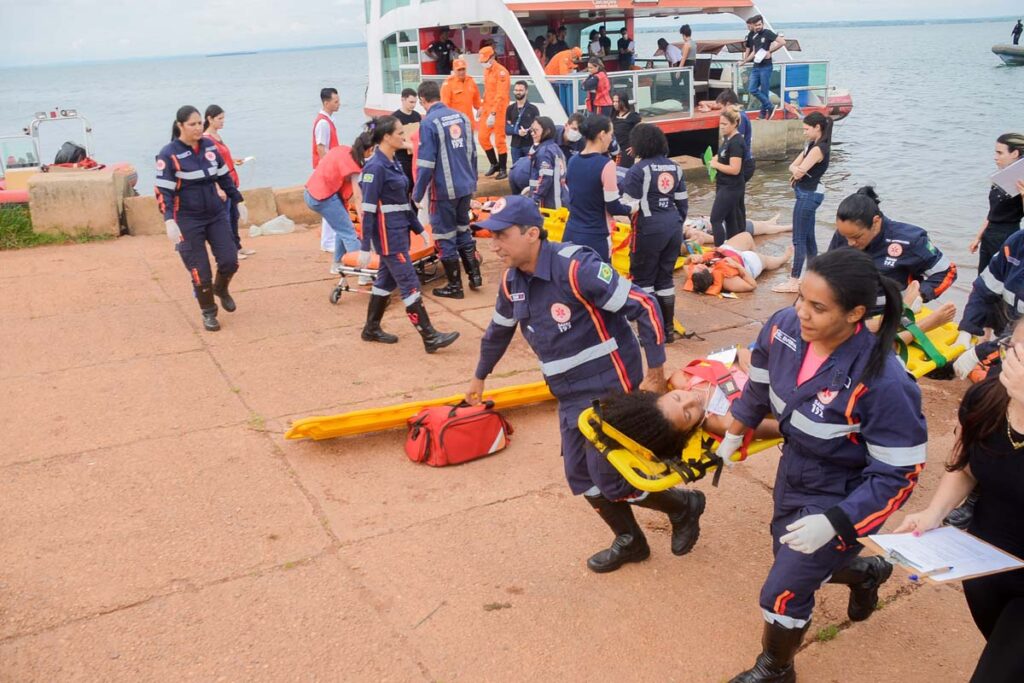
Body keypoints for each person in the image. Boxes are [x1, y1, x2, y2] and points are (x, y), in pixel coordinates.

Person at [716, 248, 927, 683]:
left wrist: (837, 520)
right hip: (795, 469)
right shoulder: (784, 329)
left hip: (843, 490)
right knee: (788, 554)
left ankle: (776, 667)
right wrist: (736, 429)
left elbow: (897, 474)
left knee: (783, 589)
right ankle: (866, 572)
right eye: (800, 299)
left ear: (855, 314)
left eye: (817, 307)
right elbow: (758, 386)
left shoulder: (883, 381)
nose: (802, 314)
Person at [465, 195, 706, 573]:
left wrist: (655, 371)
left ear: (532, 234)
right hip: (569, 394)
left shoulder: (577, 267)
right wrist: (480, 376)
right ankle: (631, 540)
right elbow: (498, 331)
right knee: (580, 475)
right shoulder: (512, 281)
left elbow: (644, 305)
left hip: (611, 387)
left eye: (501, 235)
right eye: (489, 235)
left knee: (612, 477)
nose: (492, 244)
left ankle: (682, 505)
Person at [895, 341, 1024, 683]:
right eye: (1018, 350)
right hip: (986, 564)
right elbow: (964, 466)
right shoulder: (985, 399)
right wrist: (934, 513)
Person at [357, 116, 459, 353]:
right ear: (386, 137)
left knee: (385, 281)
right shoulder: (374, 167)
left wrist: (419, 229)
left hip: (399, 233)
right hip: (388, 238)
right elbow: (369, 210)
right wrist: (364, 246)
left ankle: (371, 328)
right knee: (410, 283)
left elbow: (404, 203)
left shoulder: (393, 164)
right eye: (400, 133)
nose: (404, 137)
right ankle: (429, 336)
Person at [156, 105, 247, 332]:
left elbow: (225, 177)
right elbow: (163, 192)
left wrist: (239, 200)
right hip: (187, 219)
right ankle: (209, 312)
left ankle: (221, 288)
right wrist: (169, 220)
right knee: (200, 272)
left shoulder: (209, 147)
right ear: (180, 126)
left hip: (215, 214)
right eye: (192, 124)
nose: (198, 128)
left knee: (230, 260)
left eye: (199, 123)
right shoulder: (168, 154)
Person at [827, 187, 958, 309]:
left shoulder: (909, 240)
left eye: (857, 237)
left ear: (876, 221)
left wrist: (920, 295)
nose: (850, 243)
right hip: (848, 311)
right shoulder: (845, 233)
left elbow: (947, 272)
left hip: (889, 314)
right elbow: (829, 271)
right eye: (845, 236)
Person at [412, 80, 481, 299]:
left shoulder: (428, 123)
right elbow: (472, 153)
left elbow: (425, 163)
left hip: (443, 191)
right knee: (463, 230)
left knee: (444, 236)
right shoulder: (462, 117)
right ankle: (474, 275)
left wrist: (416, 194)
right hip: (465, 186)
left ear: (423, 99)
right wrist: (473, 181)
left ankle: (454, 286)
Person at [620, 124, 688, 341]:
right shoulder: (676, 168)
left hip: (648, 229)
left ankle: (650, 333)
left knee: (644, 279)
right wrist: (676, 224)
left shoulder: (637, 171)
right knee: (665, 278)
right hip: (673, 227)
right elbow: (683, 204)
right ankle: (667, 331)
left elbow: (629, 206)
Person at [772, 112, 832, 293]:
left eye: (807, 129)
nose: (804, 132)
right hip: (807, 193)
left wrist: (796, 170)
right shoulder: (810, 145)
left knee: (799, 239)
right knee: (809, 237)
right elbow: (793, 166)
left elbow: (798, 172)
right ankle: (813, 275)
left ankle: (793, 281)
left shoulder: (818, 149)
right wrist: (796, 169)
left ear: (817, 128)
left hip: (809, 195)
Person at [564, 115, 633, 261]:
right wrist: (632, 208)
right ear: (602, 135)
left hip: (571, 233)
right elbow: (613, 206)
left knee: (572, 279)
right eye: (610, 134)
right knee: (601, 281)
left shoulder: (572, 161)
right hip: (596, 236)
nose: (611, 138)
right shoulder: (606, 165)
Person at [956, 228, 1024, 373]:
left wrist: (980, 353)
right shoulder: (1017, 242)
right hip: (1013, 327)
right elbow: (984, 290)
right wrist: (968, 328)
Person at [305, 132, 369, 276]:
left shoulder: (341, 149)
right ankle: (364, 272)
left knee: (342, 227)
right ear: (368, 150)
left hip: (311, 192)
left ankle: (337, 263)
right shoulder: (354, 167)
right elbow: (357, 197)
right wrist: (363, 217)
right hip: (324, 197)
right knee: (350, 234)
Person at [202, 105, 255, 261]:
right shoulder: (207, 139)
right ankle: (230, 249)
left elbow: (220, 159)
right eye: (219, 119)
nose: (223, 122)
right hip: (222, 184)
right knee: (225, 218)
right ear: (210, 119)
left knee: (233, 215)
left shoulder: (217, 136)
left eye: (223, 118)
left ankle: (237, 246)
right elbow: (210, 165)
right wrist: (218, 187)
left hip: (231, 179)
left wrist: (232, 160)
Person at [969, 133, 1024, 274]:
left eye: (1000, 153)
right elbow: (993, 211)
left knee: (1001, 277)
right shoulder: (1001, 178)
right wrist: (978, 237)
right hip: (990, 233)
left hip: (1007, 234)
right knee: (982, 276)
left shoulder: (1021, 180)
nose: (996, 157)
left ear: (1015, 153)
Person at [684, 232, 793, 295]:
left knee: (746, 235)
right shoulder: (728, 281)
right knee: (767, 261)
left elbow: (685, 265)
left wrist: (691, 257)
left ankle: (755, 251)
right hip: (747, 263)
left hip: (725, 252)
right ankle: (784, 258)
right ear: (708, 271)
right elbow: (752, 285)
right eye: (699, 267)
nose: (697, 266)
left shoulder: (694, 275)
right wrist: (737, 266)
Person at [708, 107, 747, 247]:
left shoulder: (737, 142)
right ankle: (733, 247)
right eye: (720, 124)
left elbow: (735, 169)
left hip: (731, 187)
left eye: (725, 124)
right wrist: (716, 158)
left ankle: (719, 249)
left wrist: (715, 165)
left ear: (734, 123)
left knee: (715, 219)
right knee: (730, 220)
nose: (722, 127)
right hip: (723, 184)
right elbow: (724, 155)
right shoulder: (727, 139)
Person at [740, 15, 785, 120]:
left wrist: (770, 51)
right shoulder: (754, 35)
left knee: (764, 90)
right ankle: (770, 106)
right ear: (753, 26)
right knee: (752, 89)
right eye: (756, 25)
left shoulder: (768, 33)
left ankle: (762, 114)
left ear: (762, 24)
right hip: (756, 66)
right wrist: (745, 61)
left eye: (759, 24)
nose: (758, 27)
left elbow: (782, 42)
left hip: (766, 66)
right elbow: (754, 51)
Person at [314, 87, 342, 253]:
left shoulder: (327, 121)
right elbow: (321, 147)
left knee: (330, 204)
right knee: (331, 204)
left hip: (329, 167)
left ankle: (328, 240)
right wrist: (328, 169)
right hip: (327, 169)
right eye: (335, 101)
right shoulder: (323, 123)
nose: (338, 104)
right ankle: (328, 240)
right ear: (326, 103)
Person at [478, 46, 511, 180]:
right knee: (482, 137)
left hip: (499, 110)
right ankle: (494, 163)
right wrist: (481, 106)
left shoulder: (502, 72)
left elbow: (501, 95)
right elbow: (487, 91)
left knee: (499, 140)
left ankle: (503, 168)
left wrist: (493, 113)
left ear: (492, 57)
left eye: (486, 60)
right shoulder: (487, 71)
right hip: (487, 108)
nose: (484, 63)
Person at [527, 116, 569, 210]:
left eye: (536, 131)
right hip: (561, 199)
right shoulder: (556, 148)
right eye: (531, 130)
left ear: (547, 131)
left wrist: (535, 199)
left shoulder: (544, 152)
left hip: (549, 203)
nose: (532, 134)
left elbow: (545, 178)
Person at [684, 212, 792, 245]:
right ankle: (789, 228)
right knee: (763, 229)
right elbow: (701, 237)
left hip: (722, 222)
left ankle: (769, 222)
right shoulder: (689, 232)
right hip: (726, 228)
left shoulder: (681, 224)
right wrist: (724, 241)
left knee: (759, 224)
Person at [392, 88, 422, 188]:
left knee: (416, 186)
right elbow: (392, 141)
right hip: (402, 159)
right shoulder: (395, 117)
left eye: (415, 102)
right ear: (403, 100)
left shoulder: (417, 116)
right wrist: (409, 146)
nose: (413, 105)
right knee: (405, 187)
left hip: (415, 157)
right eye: (411, 102)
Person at [505, 81, 539, 165]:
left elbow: (538, 128)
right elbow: (507, 129)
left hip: (529, 145)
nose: (518, 92)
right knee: (517, 170)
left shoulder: (533, 109)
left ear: (526, 91)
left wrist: (527, 131)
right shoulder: (510, 108)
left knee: (530, 168)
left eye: (520, 90)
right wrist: (517, 132)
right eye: (516, 90)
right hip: (515, 146)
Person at [440, 59, 481, 124]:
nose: (462, 72)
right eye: (459, 70)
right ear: (454, 70)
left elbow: (476, 98)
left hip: (469, 120)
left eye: (463, 69)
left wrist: (479, 108)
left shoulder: (471, 81)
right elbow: (445, 105)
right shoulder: (448, 83)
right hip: (455, 121)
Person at [611, 95, 642, 168]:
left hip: (625, 152)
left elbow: (642, 131)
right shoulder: (613, 115)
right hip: (613, 150)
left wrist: (635, 146)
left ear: (623, 102)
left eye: (617, 102)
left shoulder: (633, 116)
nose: (614, 104)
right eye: (614, 101)